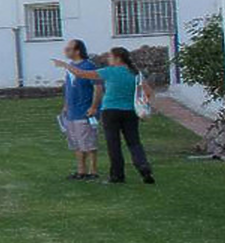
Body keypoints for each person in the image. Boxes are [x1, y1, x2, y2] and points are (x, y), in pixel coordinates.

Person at [55, 47, 155, 185]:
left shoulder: (108, 72)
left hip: (110, 111)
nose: (108, 59)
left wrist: (65, 65)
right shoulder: (135, 73)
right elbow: (148, 92)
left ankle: (117, 175)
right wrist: (142, 105)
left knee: (114, 144)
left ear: (117, 58)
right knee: (134, 142)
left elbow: (82, 74)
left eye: (110, 56)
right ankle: (143, 167)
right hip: (130, 111)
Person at [58, 39, 100, 180]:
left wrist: (94, 107)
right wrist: (66, 105)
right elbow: (69, 87)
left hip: (85, 111)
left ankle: (93, 171)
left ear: (77, 51)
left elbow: (97, 87)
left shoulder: (88, 66)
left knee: (88, 142)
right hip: (72, 111)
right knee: (76, 143)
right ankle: (81, 171)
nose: (66, 51)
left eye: (69, 49)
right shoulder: (70, 66)